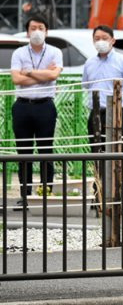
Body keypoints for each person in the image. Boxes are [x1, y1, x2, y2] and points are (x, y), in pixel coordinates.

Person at [10, 14, 63, 209]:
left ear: (47, 31)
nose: (37, 32)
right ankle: (26, 196)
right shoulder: (19, 53)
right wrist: (43, 76)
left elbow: (54, 74)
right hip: (22, 105)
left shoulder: (55, 52)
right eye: (33, 28)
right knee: (24, 152)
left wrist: (29, 72)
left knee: (45, 150)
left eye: (40, 27)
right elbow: (16, 79)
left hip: (45, 106)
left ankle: (46, 193)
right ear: (27, 31)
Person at [82, 25, 123, 154]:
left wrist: (122, 104)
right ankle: (99, 174)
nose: (100, 41)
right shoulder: (89, 62)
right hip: (96, 112)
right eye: (97, 38)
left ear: (112, 40)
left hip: (116, 111)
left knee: (120, 149)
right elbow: (86, 85)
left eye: (104, 38)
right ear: (93, 41)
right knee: (96, 148)